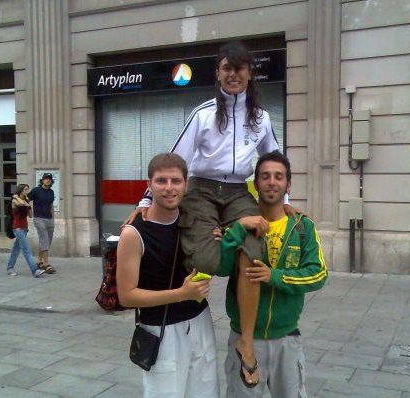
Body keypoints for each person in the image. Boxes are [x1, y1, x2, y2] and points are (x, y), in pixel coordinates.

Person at [125, 41, 296, 386]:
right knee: (204, 259)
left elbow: (273, 158)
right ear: (218, 73)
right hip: (202, 188)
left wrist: (285, 199)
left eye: (240, 68)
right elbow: (175, 160)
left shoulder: (261, 119)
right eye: (227, 68)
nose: (234, 75)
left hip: (236, 192)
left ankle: (245, 339)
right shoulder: (203, 114)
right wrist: (145, 203)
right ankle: (192, 306)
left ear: (250, 73)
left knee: (254, 250)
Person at [217, 150, 328, 397]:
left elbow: (318, 274)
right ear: (255, 183)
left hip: (286, 340)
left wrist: (274, 276)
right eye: (265, 176)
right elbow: (221, 268)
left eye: (279, 177)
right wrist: (235, 230)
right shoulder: (239, 222)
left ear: (288, 184)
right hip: (244, 341)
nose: (271, 182)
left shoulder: (302, 227)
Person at [117, 153, 219, 398]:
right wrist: (181, 294)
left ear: (186, 184)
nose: (169, 188)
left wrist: (217, 242)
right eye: (161, 181)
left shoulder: (195, 223)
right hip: (162, 330)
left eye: (176, 181)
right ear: (149, 184)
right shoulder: (133, 233)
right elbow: (127, 296)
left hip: (200, 322)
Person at [6, 184, 46, 278]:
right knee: (26, 249)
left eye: (28, 189)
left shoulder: (25, 200)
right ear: (20, 191)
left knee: (16, 249)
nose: (27, 191)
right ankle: (35, 271)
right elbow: (20, 204)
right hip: (17, 228)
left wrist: (29, 206)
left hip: (24, 228)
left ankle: (9, 268)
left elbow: (30, 215)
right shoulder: (15, 200)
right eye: (25, 190)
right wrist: (18, 197)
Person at [28, 173, 56, 274]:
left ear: (51, 181)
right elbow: (27, 200)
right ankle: (46, 264)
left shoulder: (51, 192)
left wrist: (53, 219)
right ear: (42, 180)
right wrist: (29, 211)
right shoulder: (36, 190)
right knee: (44, 239)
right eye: (45, 179)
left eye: (49, 179)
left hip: (49, 219)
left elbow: (51, 206)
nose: (47, 180)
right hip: (39, 218)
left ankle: (39, 261)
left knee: (47, 241)